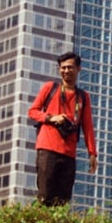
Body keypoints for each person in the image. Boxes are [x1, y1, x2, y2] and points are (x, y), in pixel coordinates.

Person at [28, 52, 98, 206]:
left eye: (70, 67)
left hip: (69, 153)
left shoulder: (83, 97)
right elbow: (32, 112)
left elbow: (87, 126)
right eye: (63, 68)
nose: (66, 71)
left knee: (63, 199)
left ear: (78, 69)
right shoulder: (50, 88)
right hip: (47, 149)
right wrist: (52, 118)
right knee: (45, 196)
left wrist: (92, 153)